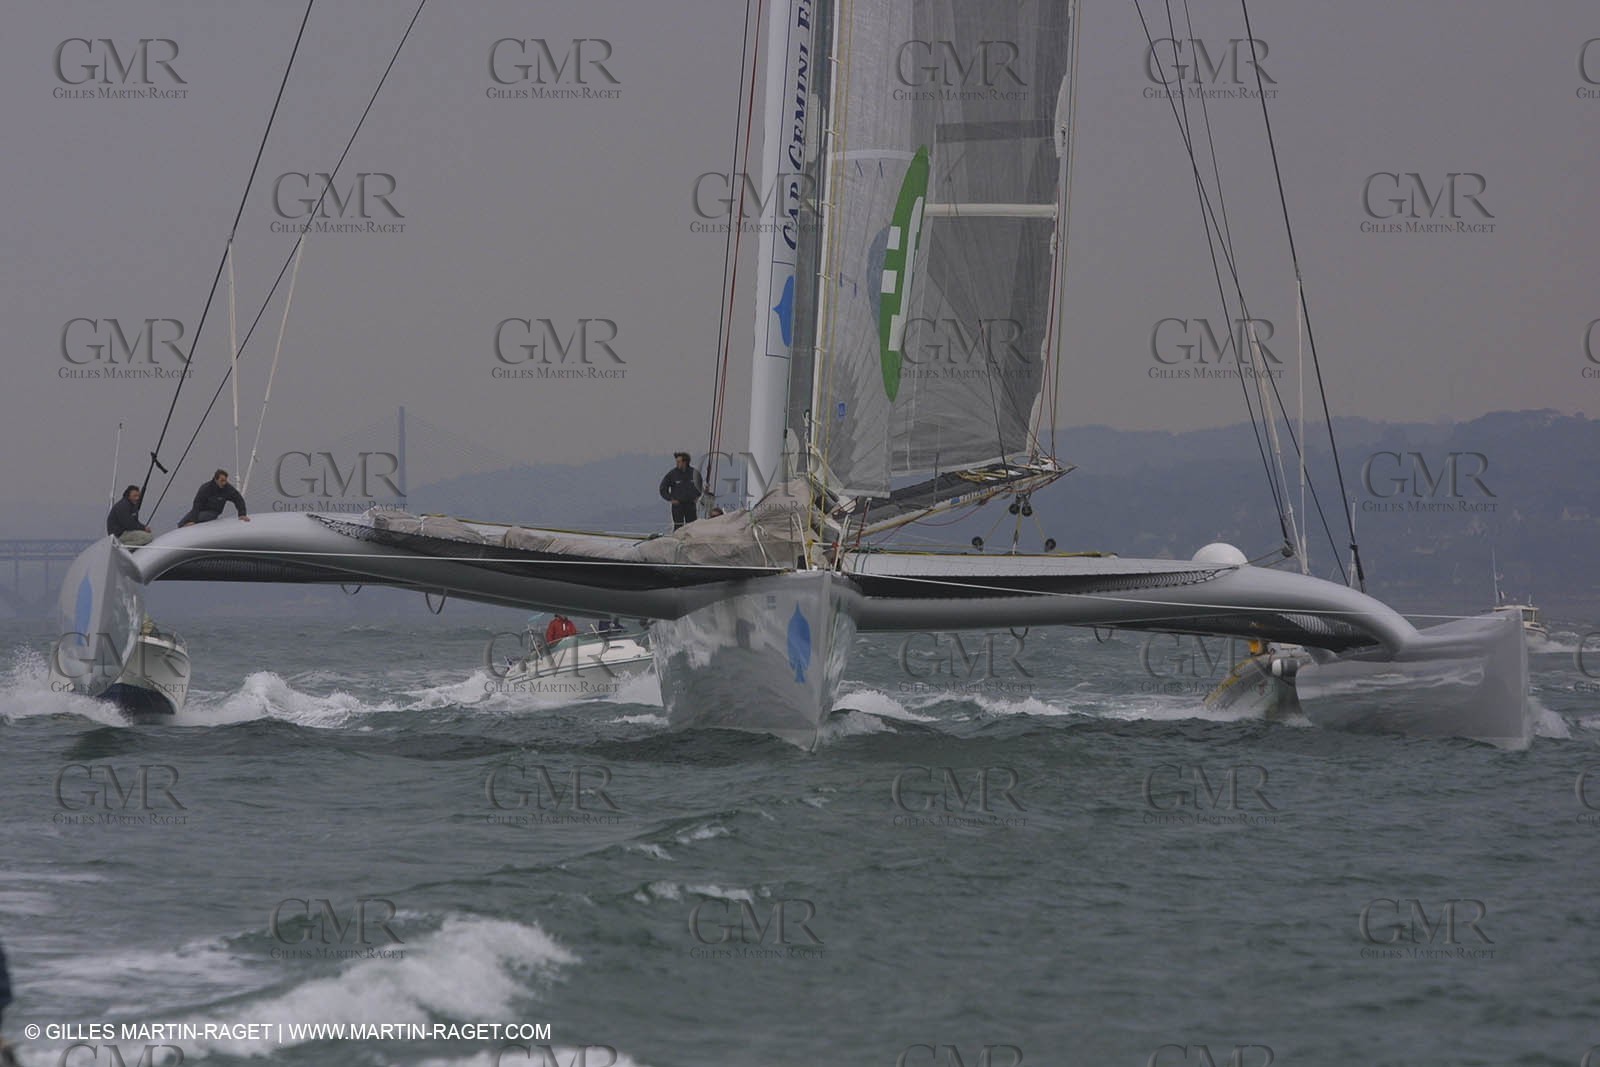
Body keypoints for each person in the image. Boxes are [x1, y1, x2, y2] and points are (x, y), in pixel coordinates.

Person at [178, 469, 251, 527]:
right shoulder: (206, 488)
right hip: (201, 510)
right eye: (222, 481)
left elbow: (238, 499)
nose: (224, 483)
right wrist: (192, 520)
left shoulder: (227, 489)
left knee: (200, 517)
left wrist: (242, 514)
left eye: (225, 480)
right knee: (181, 524)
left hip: (213, 512)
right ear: (216, 480)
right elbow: (197, 504)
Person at [658, 451, 703, 529]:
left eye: (679, 462)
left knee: (692, 526)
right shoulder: (672, 474)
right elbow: (663, 488)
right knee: (678, 526)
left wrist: (697, 496)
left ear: (685, 462)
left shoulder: (694, 473)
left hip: (690, 504)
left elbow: (700, 486)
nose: (677, 463)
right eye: (677, 462)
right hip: (677, 505)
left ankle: (692, 540)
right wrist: (670, 498)